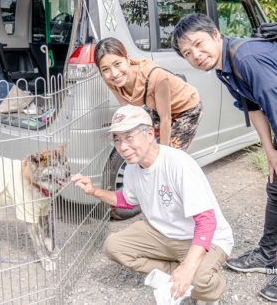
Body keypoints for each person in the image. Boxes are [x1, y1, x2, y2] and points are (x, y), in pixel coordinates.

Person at [171, 13, 277, 302]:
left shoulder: (246, 57)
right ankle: (266, 255)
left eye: (199, 45)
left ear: (216, 34)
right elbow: (254, 106)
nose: (196, 55)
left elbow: (276, 105)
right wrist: (271, 152)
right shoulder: (223, 67)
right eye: (188, 53)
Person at [71, 105, 234, 304]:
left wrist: (189, 267)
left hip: (203, 237)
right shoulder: (133, 167)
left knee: (199, 282)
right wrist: (93, 191)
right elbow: (126, 201)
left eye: (129, 137)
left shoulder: (178, 164)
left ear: (149, 134)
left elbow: (207, 221)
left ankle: (208, 285)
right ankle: (178, 272)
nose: (122, 147)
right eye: (117, 139)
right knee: (114, 246)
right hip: (163, 233)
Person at [94, 37, 202, 150]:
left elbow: (165, 119)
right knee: (146, 145)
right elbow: (129, 110)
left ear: (127, 59)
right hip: (157, 107)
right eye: (105, 69)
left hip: (186, 107)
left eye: (117, 64)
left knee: (170, 154)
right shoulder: (111, 80)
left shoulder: (156, 76)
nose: (114, 74)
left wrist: (164, 154)